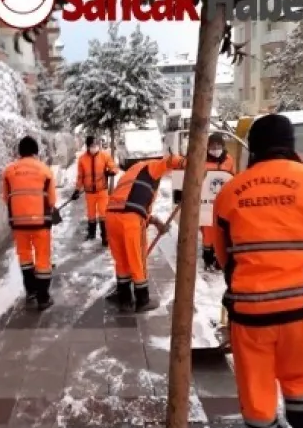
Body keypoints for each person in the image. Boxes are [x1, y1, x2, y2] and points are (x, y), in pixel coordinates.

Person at [211, 113, 303, 428]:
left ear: (253, 148)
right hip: (302, 310)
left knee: (258, 396)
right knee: (299, 384)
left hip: (251, 312)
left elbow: (224, 256)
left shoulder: (231, 192)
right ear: (292, 144)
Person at [103, 153, 185, 311]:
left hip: (111, 216)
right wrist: (186, 163)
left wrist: (155, 222)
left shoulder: (131, 174)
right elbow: (169, 161)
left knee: (122, 260)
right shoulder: (151, 166)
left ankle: (124, 299)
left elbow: (134, 203)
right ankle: (143, 300)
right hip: (130, 220)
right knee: (137, 259)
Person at [1, 136, 58, 310]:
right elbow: (52, 200)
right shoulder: (45, 170)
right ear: (36, 151)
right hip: (41, 223)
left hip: (18, 224)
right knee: (42, 259)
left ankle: (31, 292)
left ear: (19, 152)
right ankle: (43, 298)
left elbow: (5, 198)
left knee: (25, 258)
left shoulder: (8, 171)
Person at [71, 135, 118, 246]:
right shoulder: (82, 159)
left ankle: (105, 237)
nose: (94, 147)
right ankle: (91, 233)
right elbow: (80, 176)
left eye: (96, 145)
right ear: (87, 146)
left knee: (103, 214)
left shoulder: (104, 156)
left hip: (102, 191)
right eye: (92, 145)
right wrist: (77, 190)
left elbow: (114, 167)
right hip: (89, 192)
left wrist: (111, 172)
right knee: (91, 214)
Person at [200, 132, 237, 271]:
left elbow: (233, 176)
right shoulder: (202, 160)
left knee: (224, 229)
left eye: (218, 145)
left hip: (224, 199)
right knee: (208, 231)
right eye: (212, 146)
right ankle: (208, 257)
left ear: (223, 146)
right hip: (207, 201)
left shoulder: (229, 159)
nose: (215, 148)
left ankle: (222, 256)